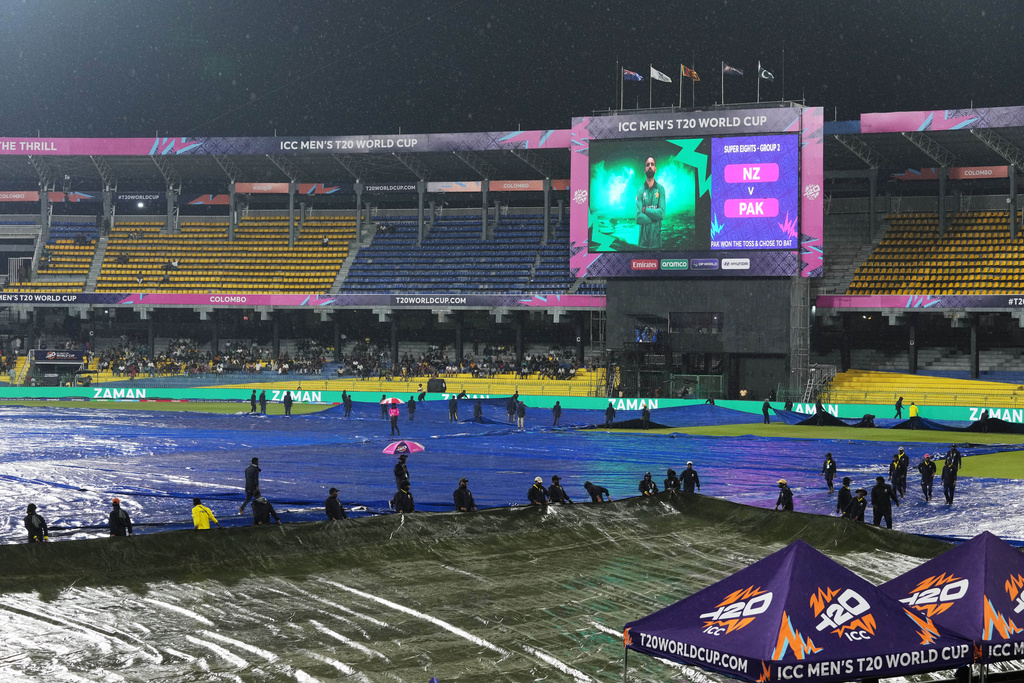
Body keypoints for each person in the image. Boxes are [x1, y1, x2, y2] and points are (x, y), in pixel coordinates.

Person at [635, 155, 666, 249]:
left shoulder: (661, 189)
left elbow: (661, 214)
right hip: (643, 243)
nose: (650, 166)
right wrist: (655, 217)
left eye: (652, 164)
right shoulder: (640, 191)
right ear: (644, 170)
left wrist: (645, 210)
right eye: (647, 165)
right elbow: (638, 218)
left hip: (657, 241)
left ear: (655, 169)